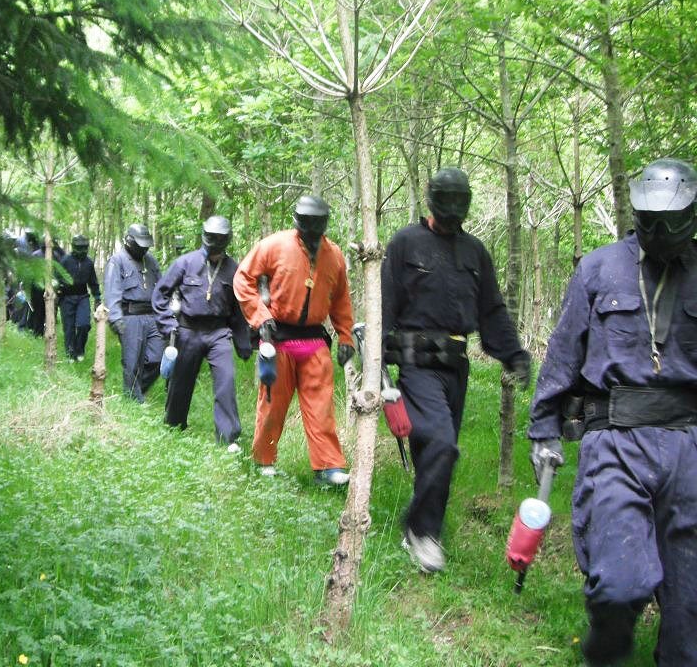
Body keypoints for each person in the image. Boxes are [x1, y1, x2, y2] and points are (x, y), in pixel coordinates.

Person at [528, 157, 697, 667]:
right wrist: (544, 429)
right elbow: (564, 352)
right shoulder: (600, 267)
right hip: (616, 441)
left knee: (689, 609)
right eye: (651, 220)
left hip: (689, 448)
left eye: (672, 221)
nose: (661, 231)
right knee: (621, 584)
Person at [381, 166, 530, 573]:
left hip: (456, 366)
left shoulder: (475, 251)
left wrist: (513, 354)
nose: (450, 212)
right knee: (443, 443)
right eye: (444, 203)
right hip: (416, 362)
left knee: (436, 450)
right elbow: (385, 303)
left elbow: (492, 309)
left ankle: (421, 527)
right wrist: (376, 361)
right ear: (431, 201)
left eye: (458, 204)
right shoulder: (405, 243)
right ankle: (422, 531)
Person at [233, 195, 356, 487]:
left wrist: (346, 335)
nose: (313, 229)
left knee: (321, 407)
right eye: (308, 223)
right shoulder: (274, 245)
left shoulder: (334, 255)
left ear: (325, 223)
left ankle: (328, 468)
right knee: (272, 405)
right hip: (278, 339)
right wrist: (260, 317)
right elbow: (243, 278)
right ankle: (264, 460)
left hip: (314, 342)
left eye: (319, 223)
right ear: (298, 222)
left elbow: (340, 300)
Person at [152, 216, 253, 451]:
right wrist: (168, 326)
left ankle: (228, 438)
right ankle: (174, 426)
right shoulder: (185, 263)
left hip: (219, 333)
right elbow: (160, 295)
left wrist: (243, 341)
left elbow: (238, 311)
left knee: (226, 381)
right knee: (180, 383)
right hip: (188, 329)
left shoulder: (233, 269)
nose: (214, 247)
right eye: (211, 240)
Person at [104, 223, 164, 403]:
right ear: (129, 241)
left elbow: (162, 289)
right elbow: (112, 291)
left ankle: (136, 390)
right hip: (130, 317)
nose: (144, 248)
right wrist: (115, 318)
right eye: (140, 244)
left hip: (152, 317)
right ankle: (133, 400)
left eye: (146, 245)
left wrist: (166, 314)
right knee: (132, 362)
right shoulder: (117, 260)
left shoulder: (151, 261)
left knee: (157, 358)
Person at [57, 235, 101, 361]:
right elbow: (57, 277)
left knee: (84, 325)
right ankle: (70, 352)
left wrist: (97, 298)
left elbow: (93, 282)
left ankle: (79, 349)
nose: (82, 250)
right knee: (69, 327)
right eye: (79, 247)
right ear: (74, 247)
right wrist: (57, 291)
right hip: (66, 297)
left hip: (83, 297)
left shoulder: (89, 263)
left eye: (84, 247)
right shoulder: (65, 260)